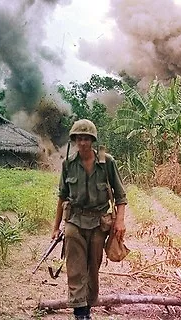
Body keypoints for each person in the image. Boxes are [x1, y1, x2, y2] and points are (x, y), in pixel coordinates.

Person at [51, 119, 127, 320]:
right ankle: (80, 312)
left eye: (87, 139)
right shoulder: (68, 164)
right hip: (74, 221)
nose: (83, 143)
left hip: (98, 224)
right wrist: (55, 227)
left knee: (93, 266)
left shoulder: (107, 162)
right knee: (75, 267)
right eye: (79, 138)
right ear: (74, 140)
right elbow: (62, 196)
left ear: (92, 140)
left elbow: (121, 196)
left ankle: (89, 305)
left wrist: (120, 221)